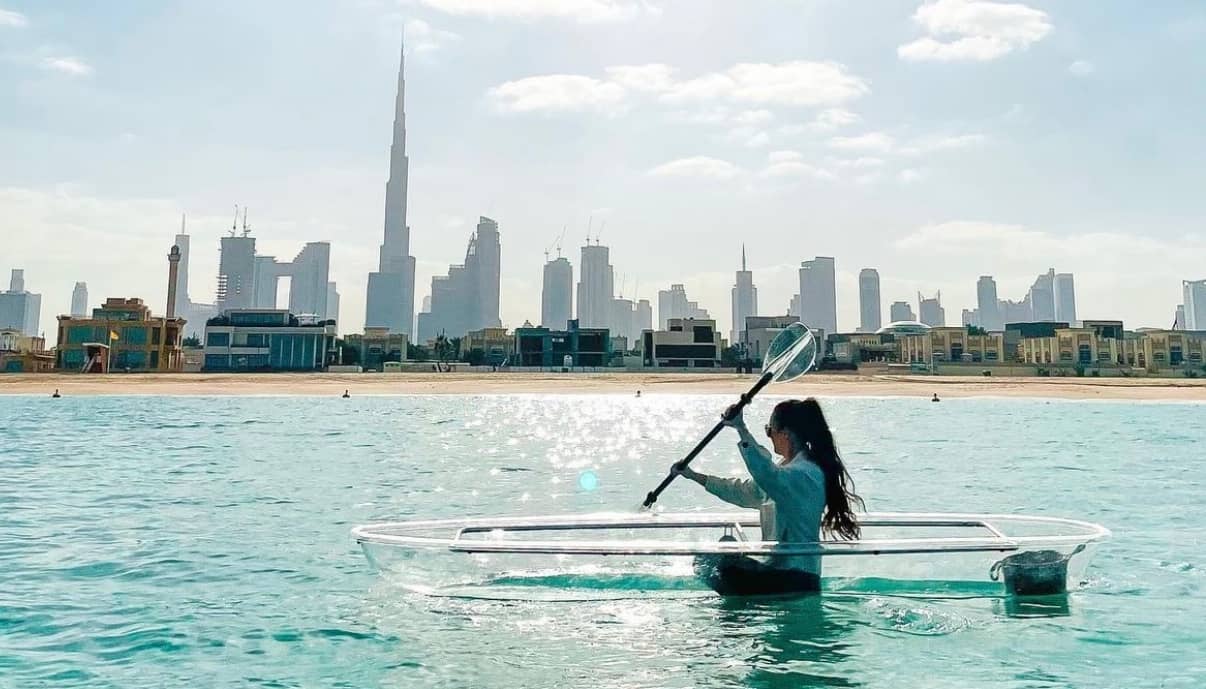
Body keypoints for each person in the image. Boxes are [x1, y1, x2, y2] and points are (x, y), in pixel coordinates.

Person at [674, 398, 864, 596]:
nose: (769, 436)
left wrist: (741, 428)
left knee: (713, 563)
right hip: (777, 571)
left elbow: (766, 473)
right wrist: (693, 475)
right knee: (713, 554)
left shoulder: (805, 474)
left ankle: (740, 610)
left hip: (794, 575)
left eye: (769, 430)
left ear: (785, 434)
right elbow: (742, 491)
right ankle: (738, 609)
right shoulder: (785, 471)